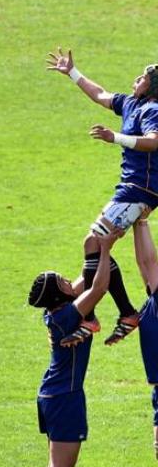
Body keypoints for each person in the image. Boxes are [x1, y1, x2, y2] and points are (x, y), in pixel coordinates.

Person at [47, 48, 158, 347]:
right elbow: (100, 95)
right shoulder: (131, 103)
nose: (137, 78)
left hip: (141, 190)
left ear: (153, 87)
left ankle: (92, 316)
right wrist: (72, 73)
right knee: (94, 243)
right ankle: (123, 313)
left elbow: (153, 142)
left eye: (144, 77)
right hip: (129, 187)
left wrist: (115, 138)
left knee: (94, 242)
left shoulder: (153, 111)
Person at [28, 232, 116, 467]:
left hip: (53, 394)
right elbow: (98, 288)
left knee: (58, 465)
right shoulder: (67, 314)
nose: (68, 280)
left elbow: (84, 278)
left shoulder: (56, 311)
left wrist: (95, 250)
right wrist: (104, 249)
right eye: (62, 281)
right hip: (64, 396)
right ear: (58, 294)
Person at [132, 216, 158, 458]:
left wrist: (140, 223)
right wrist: (140, 222)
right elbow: (145, 263)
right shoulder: (154, 302)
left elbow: (148, 263)